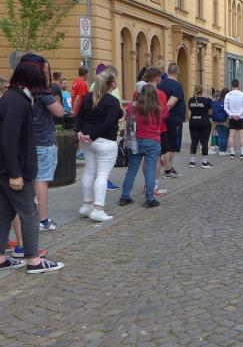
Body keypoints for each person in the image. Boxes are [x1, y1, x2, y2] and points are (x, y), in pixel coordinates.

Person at [0, 53, 64, 273]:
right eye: (43, 74)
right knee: (29, 213)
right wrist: (15, 173)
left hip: (9, 168)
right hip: (14, 170)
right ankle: (33, 260)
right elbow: (9, 139)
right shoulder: (17, 100)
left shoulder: (16, 97)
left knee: (5, 213)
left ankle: (1, 258)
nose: (46, 78)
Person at [75, 70, 123, 222]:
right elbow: (108, 123)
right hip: (104, 142)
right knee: (102, 175)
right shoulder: (112, 101)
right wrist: (92, 136)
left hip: (87, 140)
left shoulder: (88, 97)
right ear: (112, 84)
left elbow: (79, 116)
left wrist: (80, 132)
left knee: (89, 172)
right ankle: (98, 209)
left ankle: (87, 205)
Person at [119, 74, 167, 208]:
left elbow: (127, 116)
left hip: (136, 141)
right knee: (150, 169)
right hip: (153, 141)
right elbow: (162, 120)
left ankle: (125, 196)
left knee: (132, 169)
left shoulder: (133, 106)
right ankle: (150, 199)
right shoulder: (158, 109)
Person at [33, 62, 65, 231]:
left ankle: (33, 216)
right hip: (43, 142)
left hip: (30, 141)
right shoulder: (43, 93)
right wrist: (55, 98)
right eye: (44, 73)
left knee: (33, 180)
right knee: (41, 180)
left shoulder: (24, 91)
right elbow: (59, 111)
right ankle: (43, 219)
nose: (47, 76)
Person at [158, 63, 186, 178]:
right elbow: (169, 104)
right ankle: (168, 169)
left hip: (163, 119)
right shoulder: (177, 86)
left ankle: (168, 168)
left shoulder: (160, 83)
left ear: (168, 71)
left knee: (166, 142)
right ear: (177, 72)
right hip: (173, 119)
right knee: (172, 144)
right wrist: (162, 114)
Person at [188, 85, 214, 169]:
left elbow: (191, 110)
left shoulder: (190, 100)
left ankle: (192, 162)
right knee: (204, 142)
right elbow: (210, 113)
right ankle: (204, 163)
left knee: (194, 142)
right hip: (204, 122)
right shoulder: (207, 100)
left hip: (193, 122)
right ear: (202, 91)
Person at [225, 79, 243, 159]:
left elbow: (225, 108)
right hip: (241, 117)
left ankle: (232, 153)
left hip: (232, 117)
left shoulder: (228, 95)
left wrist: (232, 115)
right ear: (238, 85)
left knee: (231, 135)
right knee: (242, 136)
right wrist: (238, 114)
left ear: (231, 85)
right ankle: (242, 153)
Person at [212, 89, 230, 155]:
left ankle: (220, 151)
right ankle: (223, 151)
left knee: (220, 136)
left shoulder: (216, 101)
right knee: (224, 136)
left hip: (217, 121)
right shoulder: (227, 102)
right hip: (225, 121)